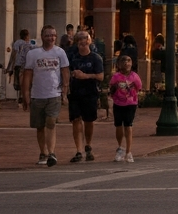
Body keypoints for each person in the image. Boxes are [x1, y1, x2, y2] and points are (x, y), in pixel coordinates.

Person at [20, 25, 71, 167]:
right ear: (42, 37)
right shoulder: (33, 54)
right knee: (40, 126)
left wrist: (65, 90)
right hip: (37, 95)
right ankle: (43, 152)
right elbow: (27, 75)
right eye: (48, 35)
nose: (51, 38)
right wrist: (25, 95)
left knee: (51, 122)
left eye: (53, 35)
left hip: (54, 93)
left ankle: (51, 152)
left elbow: (65, 71)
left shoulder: (60, 52)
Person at [67, 32, 105, 164]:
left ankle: (88, 144)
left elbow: (100, 76)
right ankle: (79, 150)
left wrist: (86, 76)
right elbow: (65, 71)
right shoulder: (72, 57)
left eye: (85, 41)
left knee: (89, 120)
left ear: (90, 42)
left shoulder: (95, 58)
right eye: (80, 41)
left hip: (90, 92)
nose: (83, 43)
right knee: (76, 120)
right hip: (75, 92)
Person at [108, 55, 142, 162]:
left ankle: (128, 151)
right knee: (118, 126)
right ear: (119, 64)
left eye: (128, 61)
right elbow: (111, 89)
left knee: (128, 126)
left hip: (130, 103)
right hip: (118, 103)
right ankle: (120, 148)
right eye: (123, 61)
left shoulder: (134, 76)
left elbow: (139, 87)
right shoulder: (116, 77)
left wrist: (133, 95)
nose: (126, 63)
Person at [11, 28, 32, 96]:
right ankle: (22, 96)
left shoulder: (17, 42)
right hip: (26, 65)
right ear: (27, 36)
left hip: (18, 64)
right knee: (25, 82)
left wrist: (11, 66)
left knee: (18, 82)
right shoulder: (29, 44)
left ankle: (19, 97)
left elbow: (13, 54)